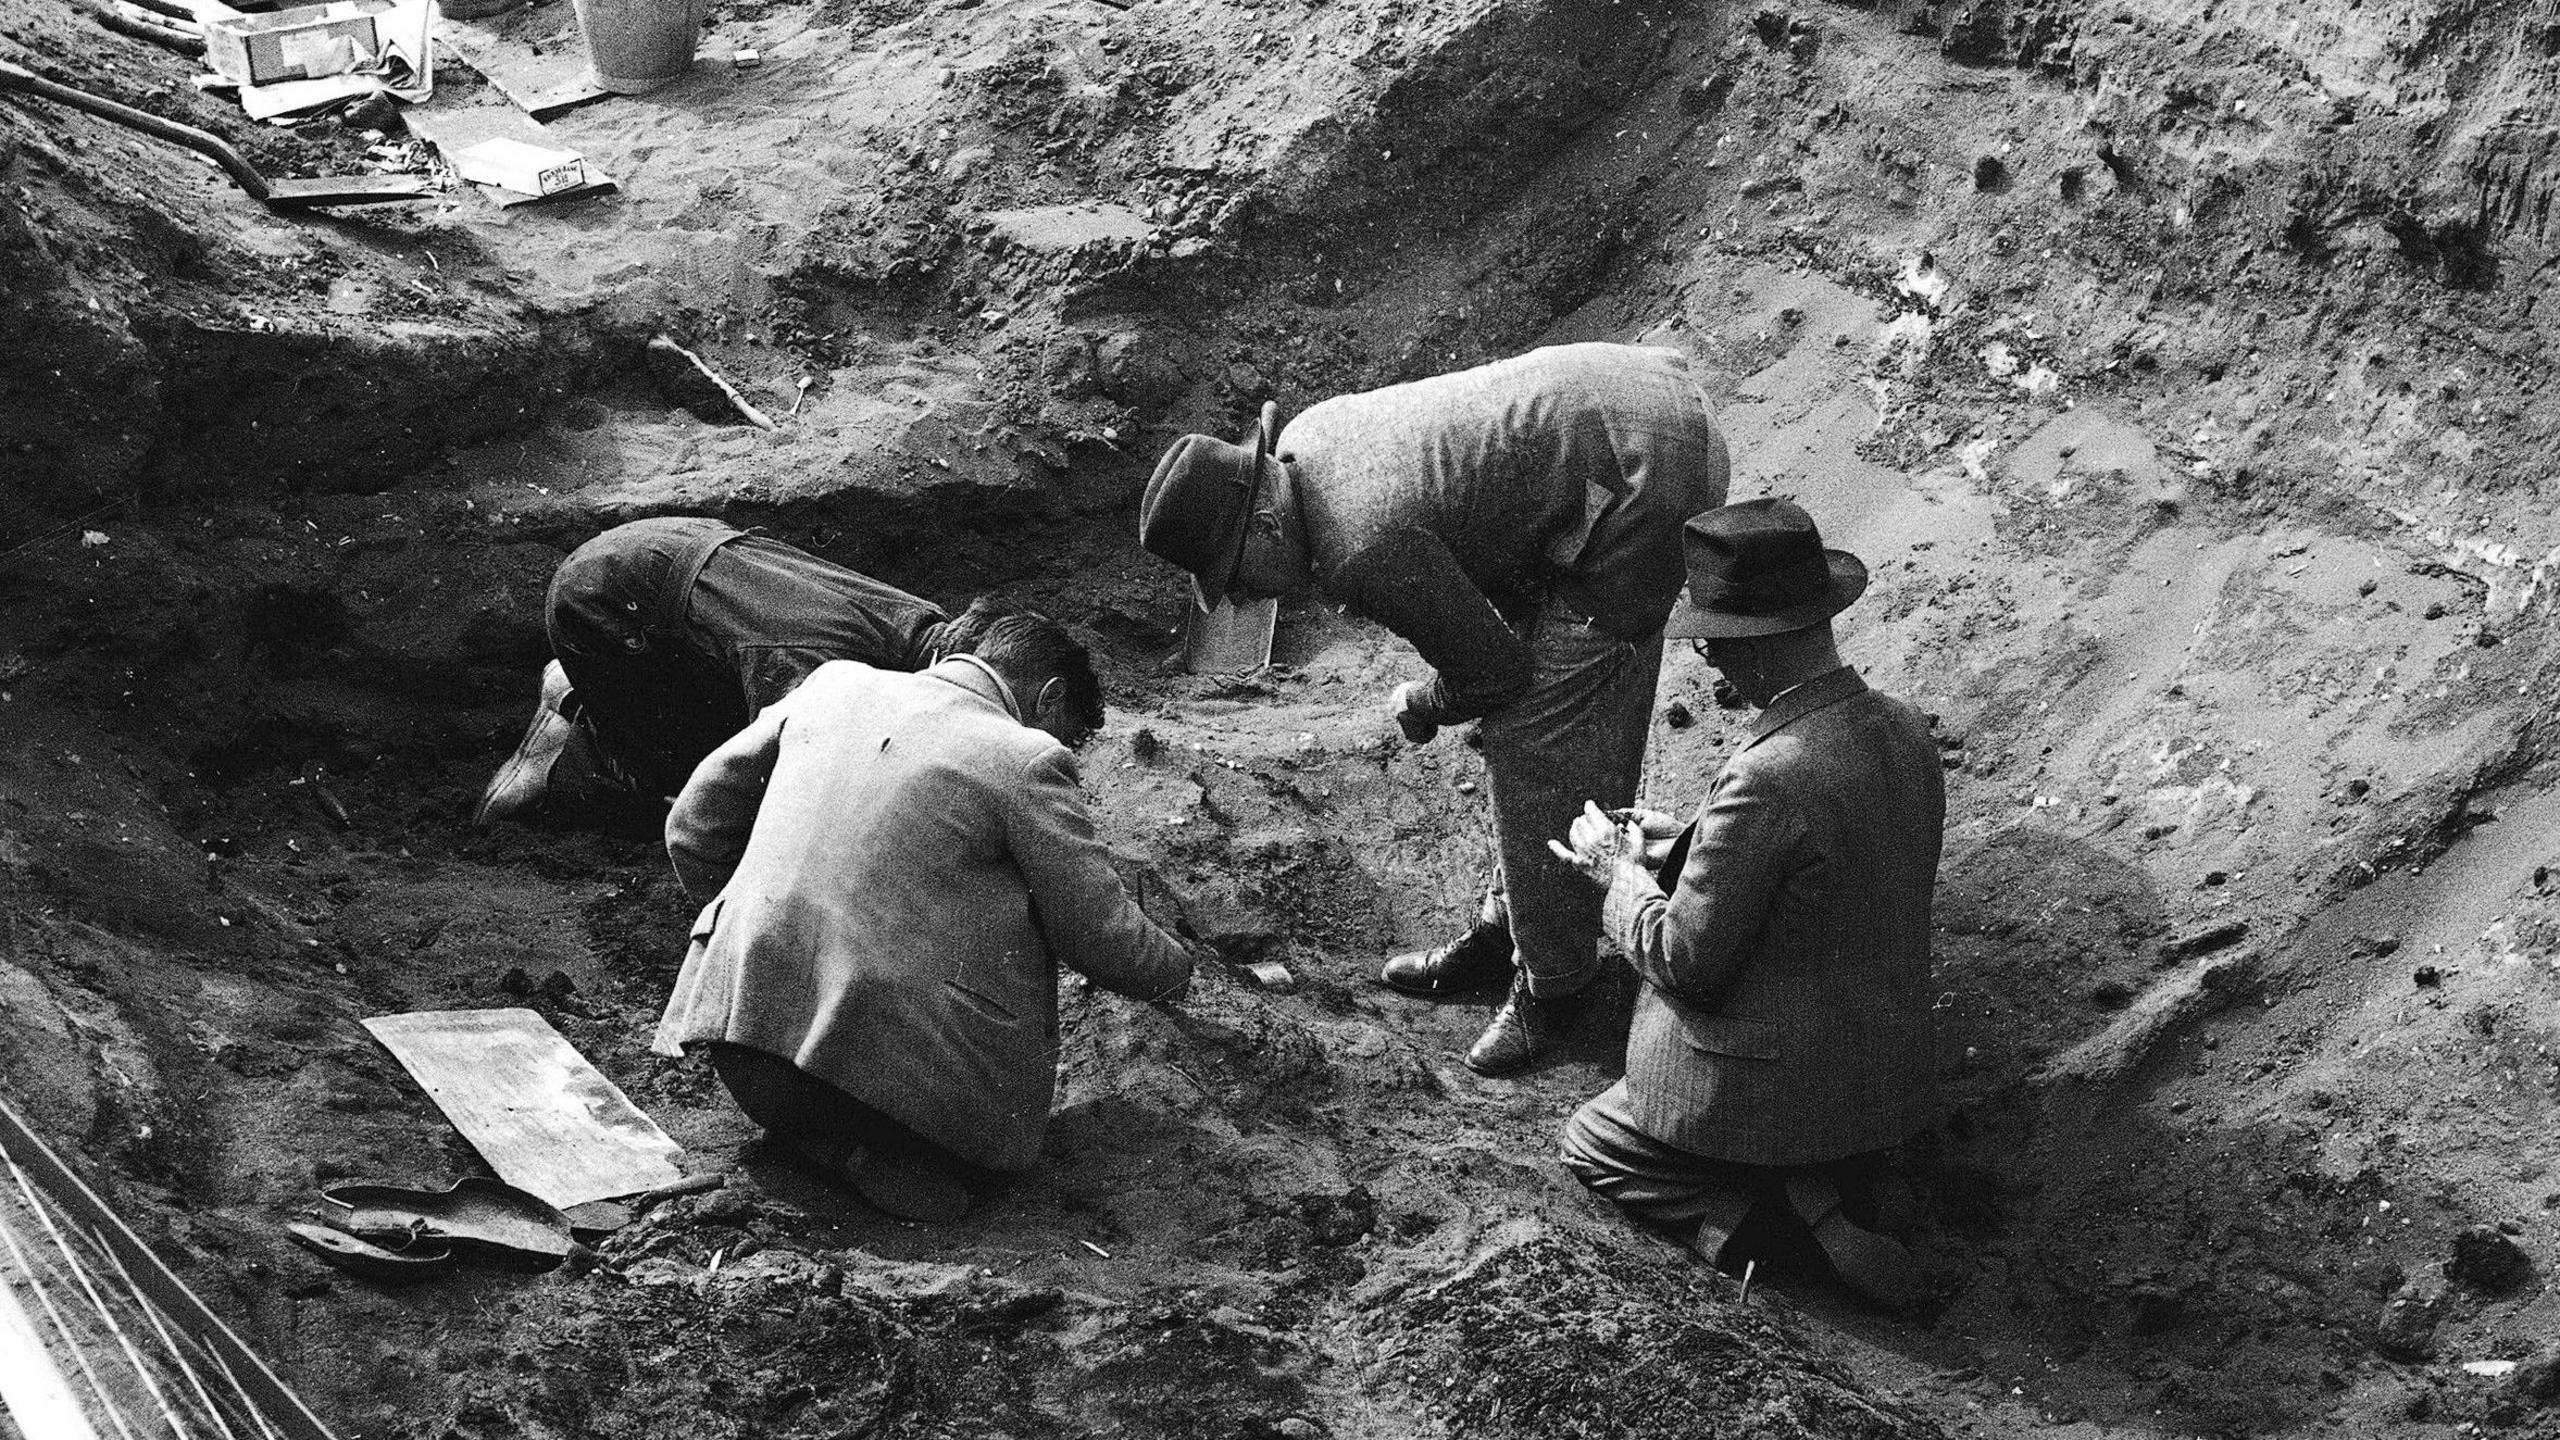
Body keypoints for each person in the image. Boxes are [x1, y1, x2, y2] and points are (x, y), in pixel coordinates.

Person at [1137, 343, 1729, 1074]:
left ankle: (1557, 988)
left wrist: (1423, 700)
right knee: (1537, 707)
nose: (1241, 600)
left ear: (1263, 524)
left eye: (1233, 577)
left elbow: (1496, 673)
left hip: (1647, 476)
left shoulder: (1358, 542)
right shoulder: (1306, 443)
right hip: (1619, 419)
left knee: (1538, 731)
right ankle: (1507, 926)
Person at [650, 610, 1194, 1220]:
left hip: (738, 1040)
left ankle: (825, 1145)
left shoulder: (833, 684)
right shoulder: (1023, 754)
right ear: (1051, 697)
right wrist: (1181, 972)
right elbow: (1098, 936)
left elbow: (691, 826)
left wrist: (747, 928)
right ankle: (867, 1148)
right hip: (880, 1084)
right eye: (1069, 732)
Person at [1547, 498, 1944, 1307]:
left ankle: (1783, 1226)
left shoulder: (1768, 776)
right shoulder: (1901, 727)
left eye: (1712, 646)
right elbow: (1826, 870)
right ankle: (1831, 1181)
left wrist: (1615, 877)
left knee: (1591, 1140)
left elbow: (1684, 962)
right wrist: (1690, 841)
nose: (1712, 668)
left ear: (1745, 646)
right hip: (1879, 1075)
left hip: (1778, 1089)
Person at [475, 515, 1000, 825]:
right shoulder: (817, 663)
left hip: (672, 549)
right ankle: (574, 716)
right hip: (602, 598)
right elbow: (789, 784)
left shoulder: (922, 622)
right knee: (690, 792)